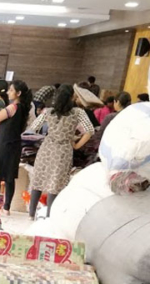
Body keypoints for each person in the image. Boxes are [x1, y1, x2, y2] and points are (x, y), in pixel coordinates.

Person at [26, 84, 94, 219]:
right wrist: (76, 144)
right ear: (71, 97)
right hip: (63, 150)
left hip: (47, 148)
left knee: (38, 180)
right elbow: (90, 130)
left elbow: (34, 127)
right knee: (55, 184)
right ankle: (50, 216)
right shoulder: (78, 112)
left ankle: (31, 214)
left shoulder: (48, 111)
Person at [0, 80, 32, 214]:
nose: (8, 92)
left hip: (3, 143)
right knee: (9, 177)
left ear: (18, 93)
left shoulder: (12, 107)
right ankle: (6, 207)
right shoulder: (25, 109)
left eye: (11, 90)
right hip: (15, 144)